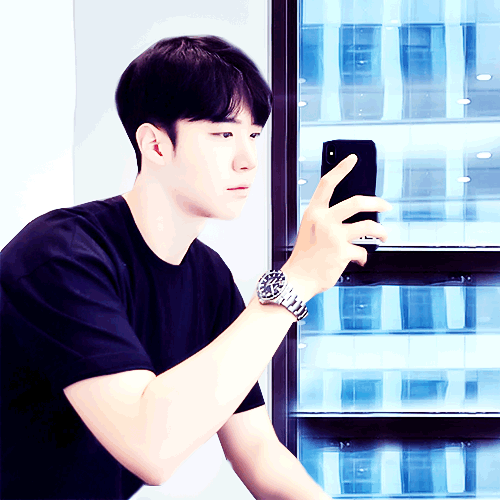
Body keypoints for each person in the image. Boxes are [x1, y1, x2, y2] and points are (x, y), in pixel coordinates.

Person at [0, 35, 391, 500]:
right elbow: (149, 448)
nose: (248, 161)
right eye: (223, 135)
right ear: (156, 145)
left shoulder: (208, 275)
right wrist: (297, 281)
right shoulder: (60, 255)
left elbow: (257, 452)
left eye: (253, 136)